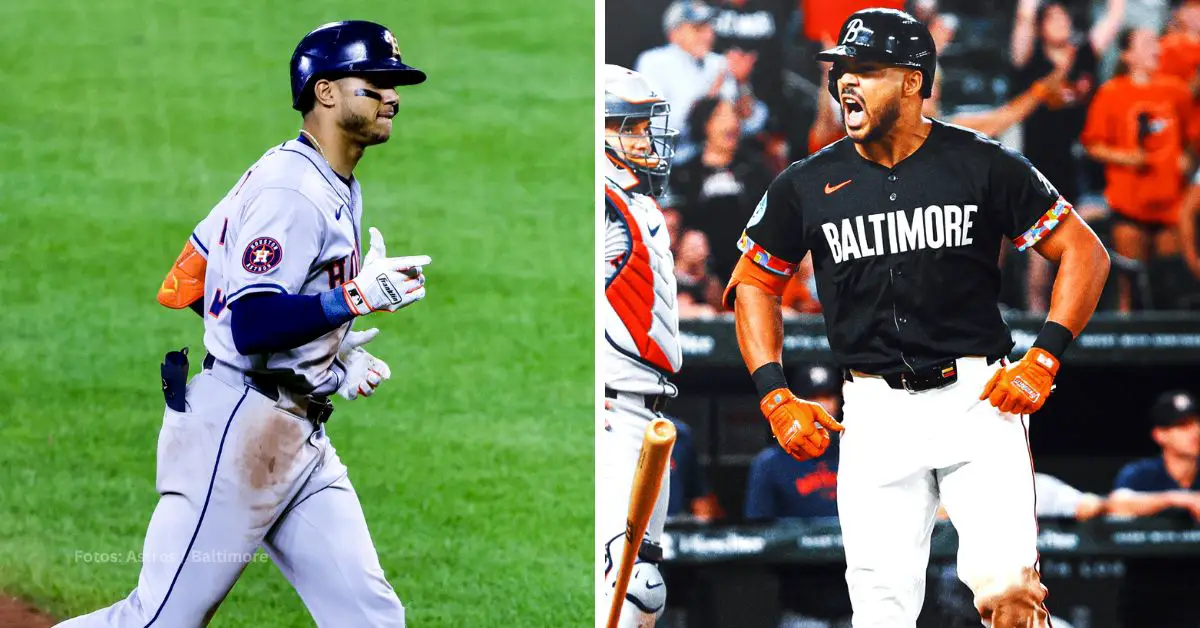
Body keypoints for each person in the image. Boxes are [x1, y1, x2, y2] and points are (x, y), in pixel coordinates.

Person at [724, 9, 1110, 627]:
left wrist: (1044, 356)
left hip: (979, 399)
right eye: (841, 70)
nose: (846, 82)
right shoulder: (806, 182)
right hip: (874, 412)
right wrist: (775, 397)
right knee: (880, 612)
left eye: (865, 70)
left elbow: (1084, 252)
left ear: (911, 80)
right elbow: (752, 285)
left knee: (1010, 590)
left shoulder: (981, 161)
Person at [60, 21, 429, 627]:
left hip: (298, 438)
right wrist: (350, 301)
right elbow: (252, 324)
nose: (392, 95)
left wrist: (331, 359)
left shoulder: (329, 179)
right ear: (326, 92)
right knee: (158, 622)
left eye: (396, 84)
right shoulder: (293, 190)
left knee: (370, 618)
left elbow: (197, 278)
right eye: (377, 82)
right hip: (237, 435)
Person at [600, 64, 682, 628]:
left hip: (647, 415)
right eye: (630, 128)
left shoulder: (632, 202)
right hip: (609, 410)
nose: (645, 142)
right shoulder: (598, 198)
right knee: (623, 586)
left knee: (643, 589)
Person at [1081, 28, 1197, 311]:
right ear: (1128, 55)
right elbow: (1092, 145)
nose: (1155, 49)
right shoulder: (1111, 93)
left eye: (1155, 43)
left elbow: (1193, 138)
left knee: (1170, 289)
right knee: (1129, 289)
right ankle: (1125, 349)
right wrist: (1126, 157)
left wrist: (1189, 159)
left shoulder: (1176, 90)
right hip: (1129, 206)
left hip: (1170, 206)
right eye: (1146, 44)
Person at [1009, 0, 1126, 208]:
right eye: (1052, 18)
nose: (1061, 21)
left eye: (1064, 16)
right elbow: (1024, 18)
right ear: (1039, 27)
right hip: (1040, 163)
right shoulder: (1029, 59)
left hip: (1080, 163)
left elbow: (1113, 17)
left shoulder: (1083, 55)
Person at [1107, 390, 1200, 628]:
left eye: (1195, 423)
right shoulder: (1141, 473)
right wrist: (1179, 499)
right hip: (1149, 591)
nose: (1194, 432)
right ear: (1160, 435)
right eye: (1182, 426)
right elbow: (1117, 504)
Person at [634, 0, 768, 164]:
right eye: (698, 29)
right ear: (674, 33)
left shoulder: (719, 62)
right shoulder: (654, 62)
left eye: (710, 28)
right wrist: (712, 95)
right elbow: (658, 129)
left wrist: (742, 84)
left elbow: (753, 124)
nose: (707, 35)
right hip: (672, 164)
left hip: (717, 162)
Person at [670, 96, 773, 283]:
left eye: (733, 114)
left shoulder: (756, 170)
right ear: (705, 124)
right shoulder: (684, 174)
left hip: (749, 263)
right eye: (721, 115)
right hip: (700, 269)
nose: (731, 121)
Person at [674, 229, 723, 318]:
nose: (695, 251)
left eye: (700, 247)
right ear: (680, 247)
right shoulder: (669, 276)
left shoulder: (709, 282)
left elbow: (718, 311)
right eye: (692, 247)